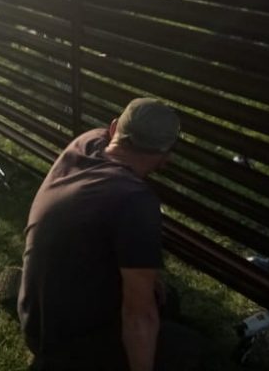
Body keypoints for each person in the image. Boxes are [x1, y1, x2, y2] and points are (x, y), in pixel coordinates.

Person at [18, 97, 205, 371]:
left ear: (115, 127)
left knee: (166, 299)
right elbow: (138, 317)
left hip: (36, 320)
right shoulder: (134, 200)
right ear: (166, 156)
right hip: (66, 345)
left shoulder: (87, 142)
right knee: (189, 348)